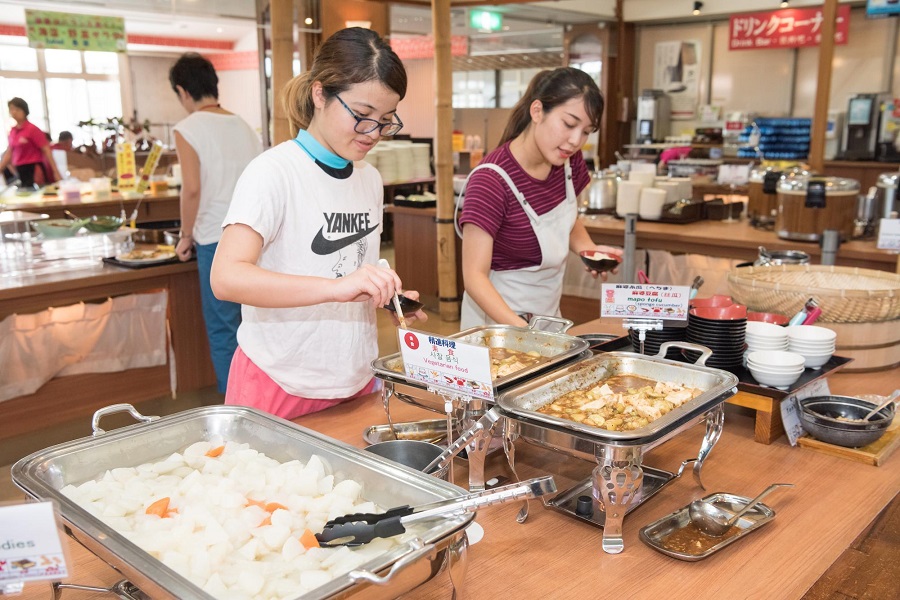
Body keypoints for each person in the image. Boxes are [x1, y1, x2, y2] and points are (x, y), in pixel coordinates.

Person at [210, 27, 425, 420]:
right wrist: (337, 289)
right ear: (320, 94)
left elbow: (343, 268)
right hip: (281, 379)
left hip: (355, 374)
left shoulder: (368, 178)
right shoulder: (274, 172)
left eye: (386, 120)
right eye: (362, 116)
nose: (373, 133)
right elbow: (226, 278)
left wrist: (382, 295)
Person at [456, 67, 622, 329]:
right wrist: (527, 333)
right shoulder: (490, 180)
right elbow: (474, 278)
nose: (576, 140)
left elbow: (565, 218)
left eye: (587, 131)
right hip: (497, 326)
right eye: (568, 124)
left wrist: (588, 248)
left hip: (548, 319)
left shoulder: (569, 161)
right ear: (537, 111)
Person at [169, 52, 263, 394]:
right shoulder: (243, 125)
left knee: (224, 330)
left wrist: (185, 235)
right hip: (255, 237)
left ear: (183, 91)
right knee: (253, 327)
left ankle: (235, 406)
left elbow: (192, 188)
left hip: (214, 238)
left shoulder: (187, 128)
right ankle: (256, 402)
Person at [0, 98, 62, 188]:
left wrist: (55, 172)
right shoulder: (13, 131)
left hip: (34, 169)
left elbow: (46, 150)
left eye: (17, 109)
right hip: (20, 169)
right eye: (11, 109)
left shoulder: (32, 129)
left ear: (24, 110)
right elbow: (9, 152)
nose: (14, 112)